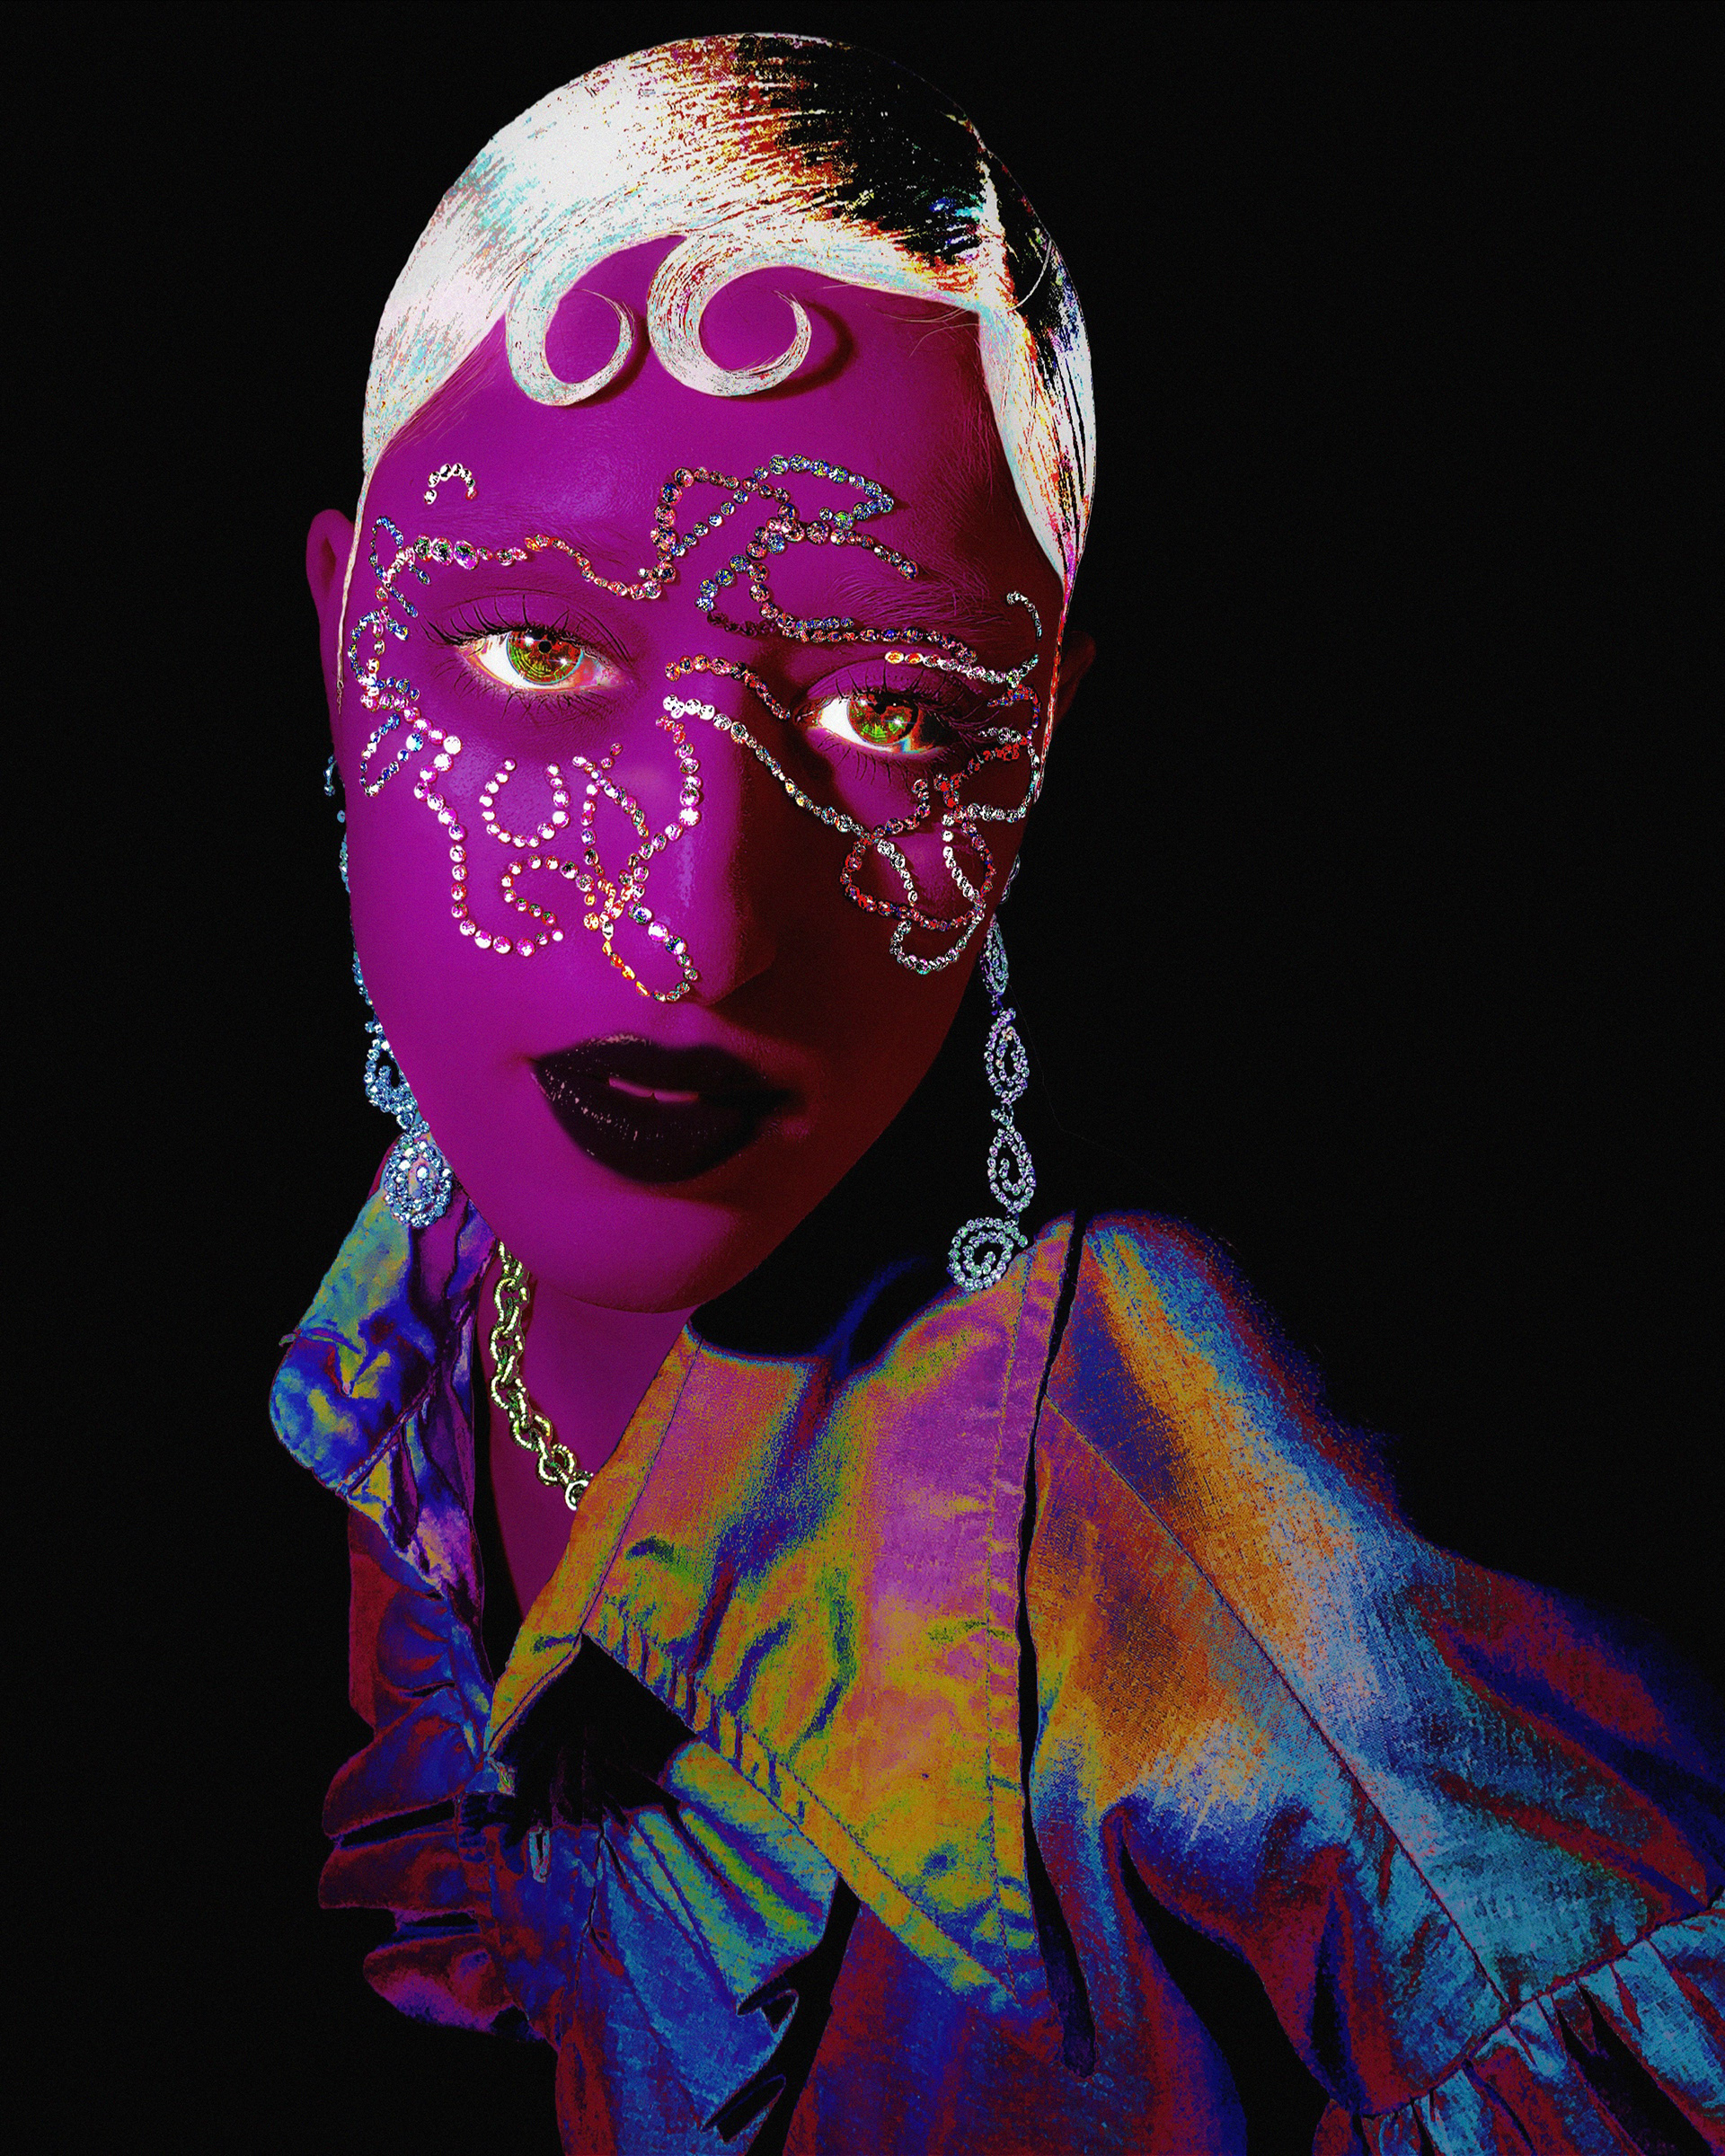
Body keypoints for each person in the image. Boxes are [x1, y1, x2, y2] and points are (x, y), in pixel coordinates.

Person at [271, 32, 1723, 2154]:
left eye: (895, 712)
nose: (695, 932)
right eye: (537, 656)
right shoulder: (441, 1241)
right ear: (341, 644)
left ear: (1039, 745)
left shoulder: (1276, 1658)